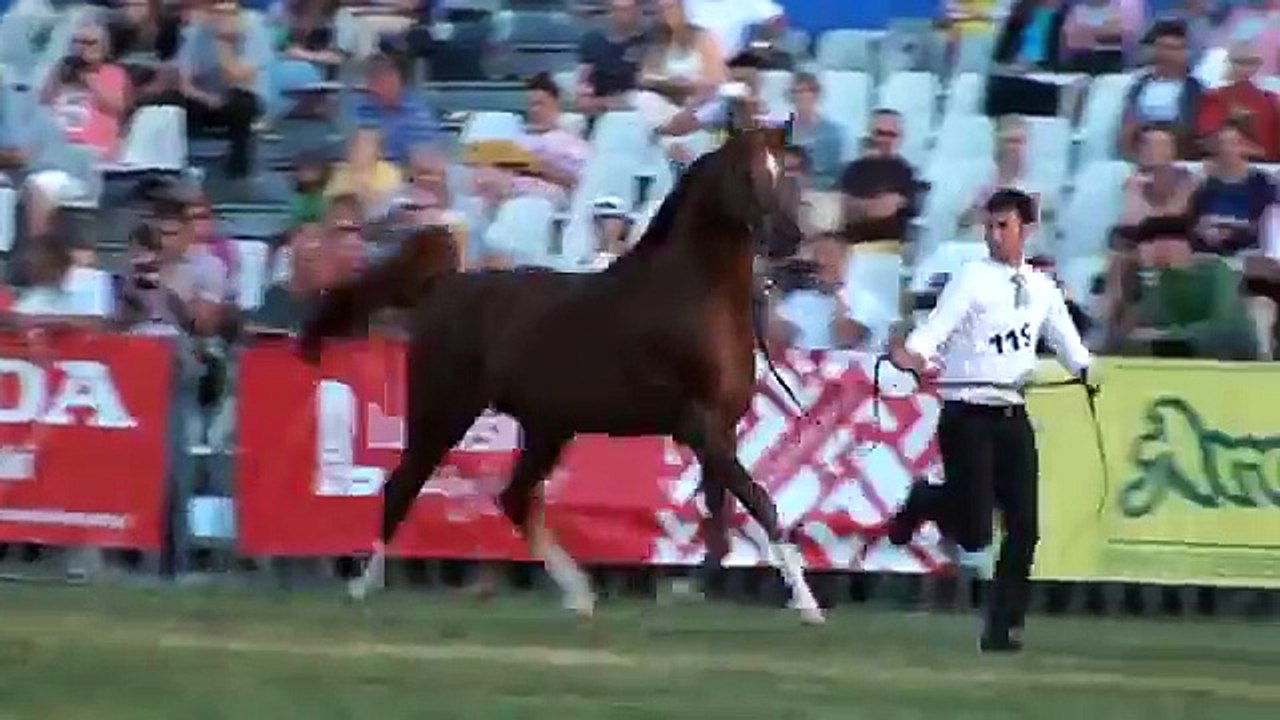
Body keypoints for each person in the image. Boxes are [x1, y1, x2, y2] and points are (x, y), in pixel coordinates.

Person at [883, 188, 1098, 653]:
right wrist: (913, 355)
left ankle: (1003, 627)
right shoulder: (972, 279)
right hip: (967, 413)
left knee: (1025, 526)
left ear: (1028, 229)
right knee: (975, 533)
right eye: (990, 227)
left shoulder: (1041, 287)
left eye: (1004, 226)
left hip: (1011, 411)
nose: (995, 235)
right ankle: (926, 500)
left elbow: (1067, 342)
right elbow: (936, 329)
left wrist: (1086, 371)